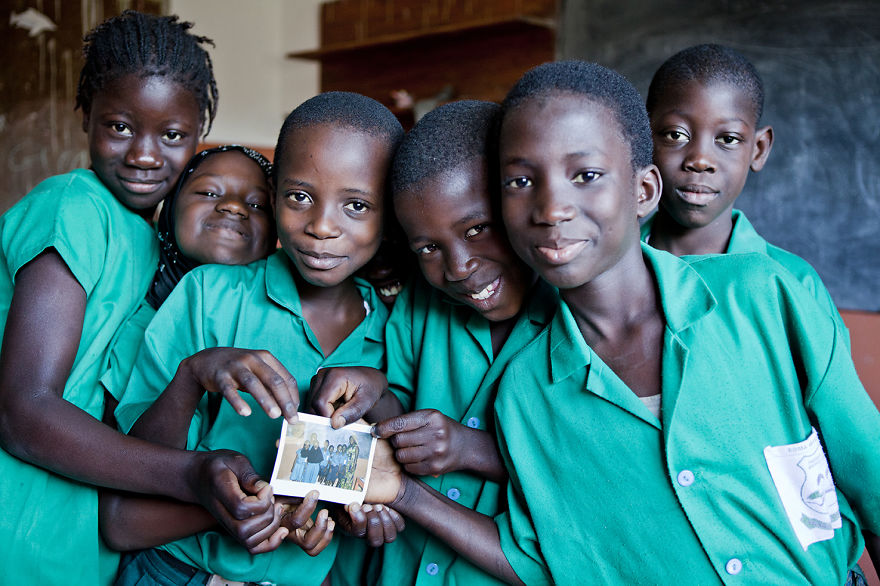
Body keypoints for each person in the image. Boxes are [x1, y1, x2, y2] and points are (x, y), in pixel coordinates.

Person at [364, 59, 880, 585]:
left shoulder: (762, 295)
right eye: (521, 181)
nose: (552, 208)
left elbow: (870, 476)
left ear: (645, 191)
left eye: (585, 176)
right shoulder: (526, 392)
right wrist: (403, 493)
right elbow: (551, 560)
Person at [0, 11, 265, 585]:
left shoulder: (153, 242)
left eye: (171, 136)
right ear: (85, 117)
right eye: (119, 126)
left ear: (199, 137)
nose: (145, 155)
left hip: (74, 544)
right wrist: (192, 473)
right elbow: (24, 410)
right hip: (16, 524)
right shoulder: (73, 206)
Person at [112, 91, 405, 585]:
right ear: (273, 195)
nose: (321, 227)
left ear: (390, 215)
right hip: (174, 570)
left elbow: (379, 479)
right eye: (300, 197)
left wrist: (347, 520)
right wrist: (192, 376)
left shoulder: (395, 330)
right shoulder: (209, 295)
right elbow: (131, 479)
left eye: (356, 205)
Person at [309, 100, 553, 585]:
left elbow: (580, 471)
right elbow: (398, 413)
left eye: (478, 229)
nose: (459, 266)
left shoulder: (575, 317)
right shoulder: (422, 303)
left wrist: (470, 448)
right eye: (428, 248)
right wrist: (375, 391)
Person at [641, 44, 846, 336]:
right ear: (643, 139)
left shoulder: (795, 284)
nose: (700, 160)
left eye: (728, 139)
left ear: (758, 149)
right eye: (676, 135)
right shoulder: (604, 266)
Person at [99, 144, 276, 407]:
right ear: (170, 206)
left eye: (257, 204)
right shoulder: (135, 322)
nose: (233, 207)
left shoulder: (277, 324)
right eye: (208, 192)